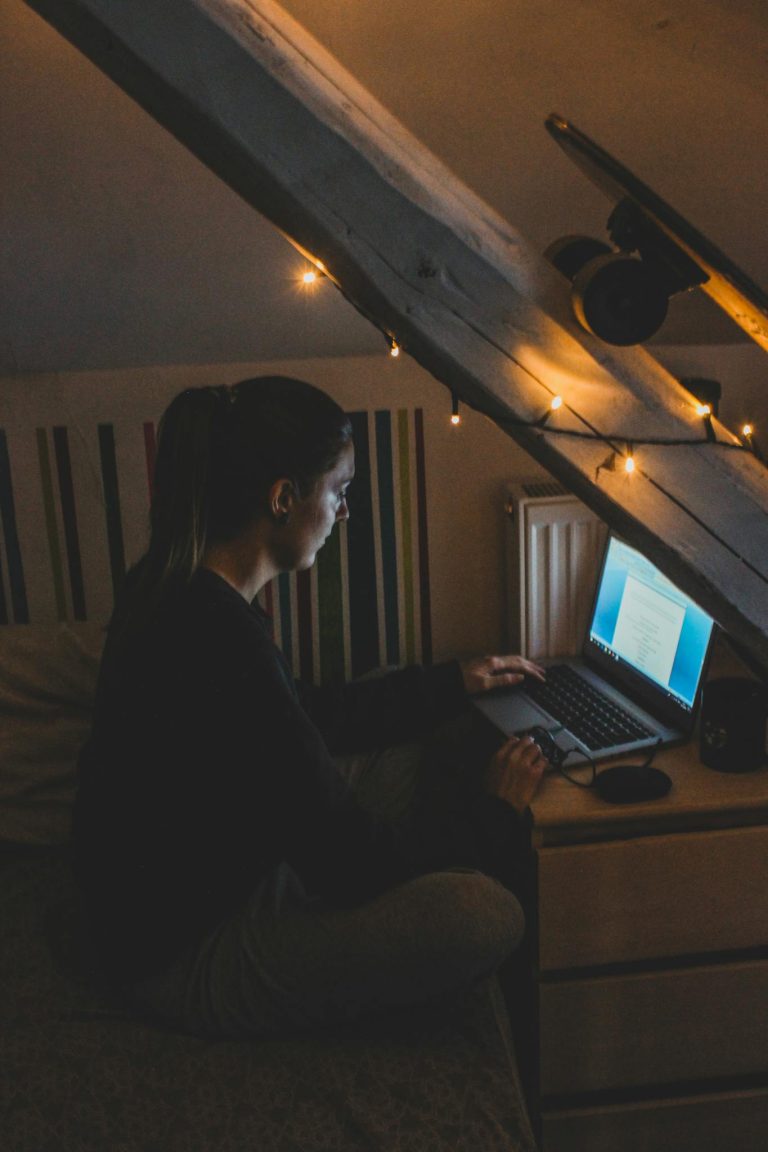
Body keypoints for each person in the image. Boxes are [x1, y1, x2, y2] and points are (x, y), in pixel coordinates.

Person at [72, 376, 549, 1040]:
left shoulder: (175, 584)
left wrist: (449, 682)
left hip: (210, 867)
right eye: (340, 492)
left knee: (399, 714)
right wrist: (495, 815)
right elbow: (351, 862)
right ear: (283, 498)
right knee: (488, 916)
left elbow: (298, 718)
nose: (345, 514)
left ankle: (423, 843)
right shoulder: (221, 640)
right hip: (185, 952)